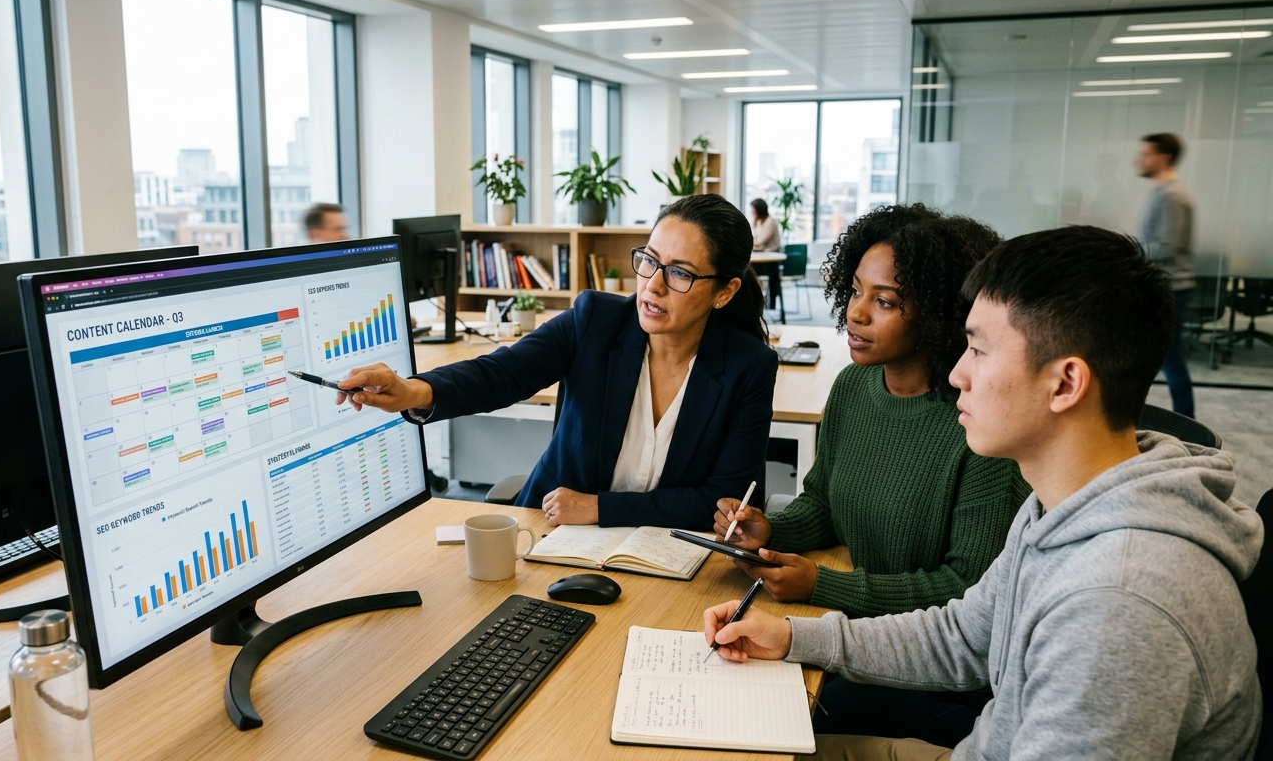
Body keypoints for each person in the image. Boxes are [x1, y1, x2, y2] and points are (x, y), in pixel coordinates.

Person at [704, 225, 1262, 760]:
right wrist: (791, 637)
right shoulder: (1061, 502)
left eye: (978, 350)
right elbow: (961, 637)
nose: (956, 375)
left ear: (1065, 383)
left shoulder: (1118, 603)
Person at [715, 204, 1030, 747]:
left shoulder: (980, 425)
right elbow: (823, 504)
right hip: (858, 632)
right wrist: (771, 531)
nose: (855, 314)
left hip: (938, 678)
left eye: (884, 301)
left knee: (778, 717)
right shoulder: (852, 390)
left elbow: (967, 594)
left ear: (936, 313)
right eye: (855, 291)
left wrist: (825, 585)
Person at [333, 194, 778, 530]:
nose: (653, 286)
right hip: (553, 535)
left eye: (680, 273)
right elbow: (502, 373)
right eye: (649, 261)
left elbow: (722, 503)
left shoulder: (748, 367)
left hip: (666, 554)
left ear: (725, 291)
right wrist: (413, 390)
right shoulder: (596, 321)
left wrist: (597, 507)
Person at [1136, 132, 1195, 417]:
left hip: (1173, 287)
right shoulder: (1161, 191)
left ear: (1164, 158)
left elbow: (1169, 246)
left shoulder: (1172, 195)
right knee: (1162, 358)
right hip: (1161, 284)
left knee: (1171, 360)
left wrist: (1130, 248)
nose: (1141, 159)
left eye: (1147, 154)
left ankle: (1188, 422)